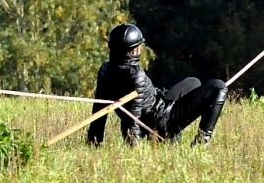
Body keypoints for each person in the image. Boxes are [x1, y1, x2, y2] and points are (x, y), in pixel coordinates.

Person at [86, 23, 228, 146]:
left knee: (193, 82)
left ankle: (175, 136)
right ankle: (201, 142)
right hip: (163, 124)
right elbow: (133, 120)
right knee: (218, 86)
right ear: (133, 50)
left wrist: (94, 141)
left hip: (156, 109)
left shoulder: (105, 70)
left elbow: (99, 110)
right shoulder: (136, 76)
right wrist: (135, 150)